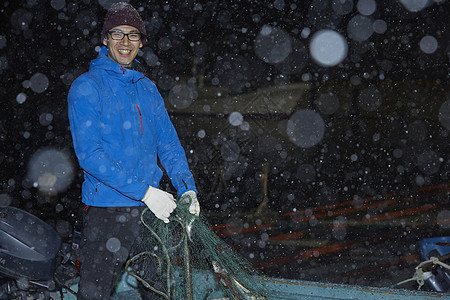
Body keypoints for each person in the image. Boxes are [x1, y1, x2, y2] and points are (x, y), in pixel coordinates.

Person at [67, 2, 199, 299]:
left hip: (150, 212)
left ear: (141, 43)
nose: (125, 42)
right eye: (117, 34)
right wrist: (146, 191)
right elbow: (90, 155)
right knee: (94, 293)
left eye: (133, 35)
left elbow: (168, 143)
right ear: (104, 39)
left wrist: (186, 187)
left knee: (159, 292)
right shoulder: (87, 87)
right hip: (106, 212)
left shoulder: (147, 89)